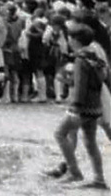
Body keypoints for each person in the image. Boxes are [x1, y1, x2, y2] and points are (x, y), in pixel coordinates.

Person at [45, 24, 109, 189]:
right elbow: (99, 80)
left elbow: (80, 85)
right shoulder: (95, 57)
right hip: (95, 106)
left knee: (60, 134)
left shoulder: (80, 60)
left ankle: (74, 172)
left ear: (75, 40)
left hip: (82, 106)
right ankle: (99, 178)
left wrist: (75, 106)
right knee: (90, 142)